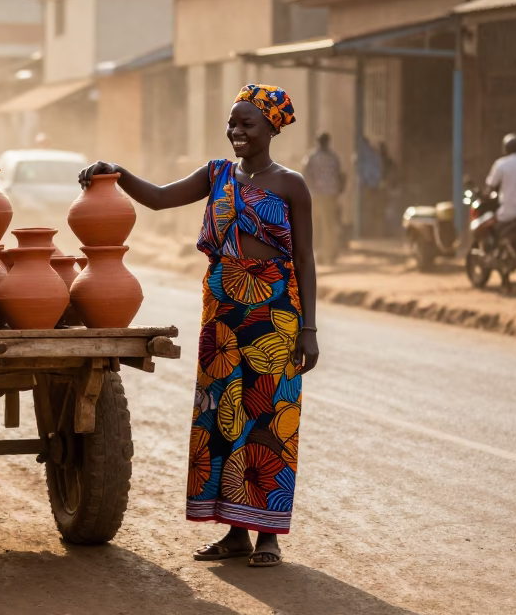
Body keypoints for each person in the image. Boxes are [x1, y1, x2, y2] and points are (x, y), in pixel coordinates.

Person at [78, 83, 319, 567]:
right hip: (222, 312)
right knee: (224, 416)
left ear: (272, 127)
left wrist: (309, 329)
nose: (236, 132)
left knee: (269, 420)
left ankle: (267, 535)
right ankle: (234, 533)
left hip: (274, 313)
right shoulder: (216, 175)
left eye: (247, 123)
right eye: (232, 123)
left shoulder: (291, 184)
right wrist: (117, 172)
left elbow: (306, 258)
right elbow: (161, 198)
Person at [302, 132, 345, 264]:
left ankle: (318, 253)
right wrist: (338, 190)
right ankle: (329, 254)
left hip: (316, 195)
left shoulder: (312, 157)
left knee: (316, 225)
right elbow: (341, 175)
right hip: (331, 195)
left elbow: (305, 174)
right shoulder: (334, 157)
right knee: (330, 225)